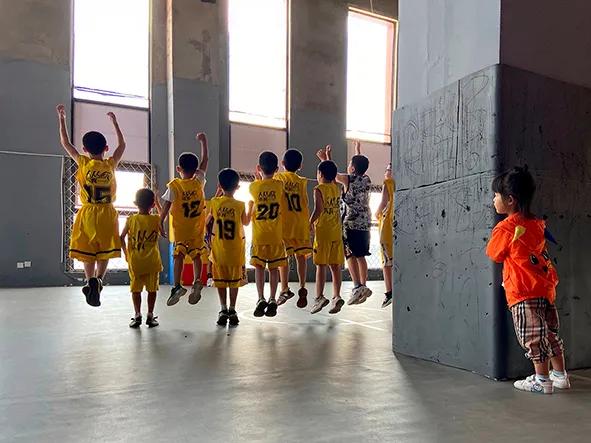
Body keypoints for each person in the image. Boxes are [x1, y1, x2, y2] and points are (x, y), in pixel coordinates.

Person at [486, 166, 569, 394]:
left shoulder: (506, 227)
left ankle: (542, 380)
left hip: (523, 291)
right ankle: (560, 375)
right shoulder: (537, 224)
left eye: (496, 195)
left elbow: (494, 253)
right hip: (545, 288)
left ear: (510, 200)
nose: (493, 200)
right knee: (550, 334)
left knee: (532, 337)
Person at [56, 104, 126, 307]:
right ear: (106, 149)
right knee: (104, 251)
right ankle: (99, 279)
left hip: (87, 212)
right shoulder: (110, 164)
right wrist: (115, 123)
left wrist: (62, 119)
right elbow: (122, 145)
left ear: (85, 150)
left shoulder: (83, 163)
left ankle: (90, 280)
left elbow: (66, 143)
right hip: (107, 212)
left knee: (88, 251)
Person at [160, 133, 209, 307]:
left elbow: (166, 205)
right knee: (197, 256)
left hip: (181, 229)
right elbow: (205, 160)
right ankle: (197, 280)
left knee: (178, 256)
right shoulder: (199, 182)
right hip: (197, 229)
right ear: (196, 171)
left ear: (178, 168)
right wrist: (204, 142)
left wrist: (160, 221)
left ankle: (177, 286)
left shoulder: (175, 185)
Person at [323, 141, 372, 305]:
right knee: (361, 255)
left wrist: (327, 158)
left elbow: (332, 174)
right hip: (365, 223)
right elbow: (360, 165)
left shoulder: (347, 179)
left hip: (350, 223)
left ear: (352, 168)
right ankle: (363, 285)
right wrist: (358, 150)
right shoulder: (366, 179)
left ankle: (357, 285)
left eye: (350, 163)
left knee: (349, 254)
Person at [206, 169, 250, 326]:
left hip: (219, 250)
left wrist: (217, 194)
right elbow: (246, 222)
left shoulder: (215, 202)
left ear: (219, 185)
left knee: (221, 281)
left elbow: (207, 220)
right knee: (234, 282)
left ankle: (223, 308)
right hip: (236, 250)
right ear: (237, 187)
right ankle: (232, 309)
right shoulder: (240, 205)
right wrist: (251, 207)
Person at [248, 151, 287, 317]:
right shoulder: (279, 186)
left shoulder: (253, 187)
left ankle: (260, 297)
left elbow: (257, 191)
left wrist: (258, 180)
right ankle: (272, 298)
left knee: (259, 267)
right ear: (276, 169)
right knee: (273, 268)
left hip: (259, 235)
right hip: (276, 236)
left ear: (258, 168)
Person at [275, 149, 313, 309]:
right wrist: (309, 224)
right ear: (300, 166)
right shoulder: (302, 181)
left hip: (285, 224)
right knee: (301, 257)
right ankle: (302, 286)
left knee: (283, 256)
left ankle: (284, 288)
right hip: (300, 223)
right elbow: (305, 202)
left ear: (282, 163)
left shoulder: (279, 178)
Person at [120, 189, 163, 328]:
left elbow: (121, 237)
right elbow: (163, 216)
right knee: (152, 290)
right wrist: (158, 202)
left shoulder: (131, 220)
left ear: (135, 203)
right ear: (152, 205)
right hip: (152, 262)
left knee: (135, 289)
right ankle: (150, 315)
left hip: (135, 262)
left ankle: (137, 314)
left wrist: (126, 253)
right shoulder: (156, 219)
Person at [309, 151, 345, 314]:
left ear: (320, 174)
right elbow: (332, 174)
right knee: (335, 266)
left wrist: (310, 222)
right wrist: (326, 159)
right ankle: (336, 296)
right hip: (336, 233)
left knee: (321, 266)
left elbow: (318, 209)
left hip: (323, 232)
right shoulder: (336, 188)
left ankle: (319, 297)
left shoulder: (318, 189)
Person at [375, 163, 395, 308]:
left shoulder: (387, 183)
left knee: (387, 262)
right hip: (400, 227)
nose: (386, 172)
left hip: (387, 227)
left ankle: (389, 292)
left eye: (388, 169)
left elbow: (383, 202)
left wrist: (376, 213)